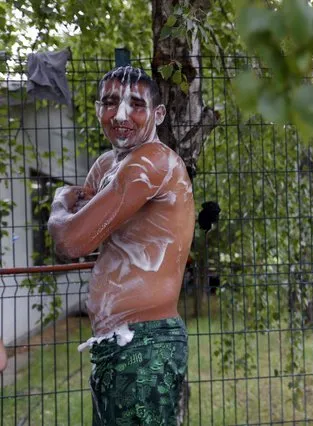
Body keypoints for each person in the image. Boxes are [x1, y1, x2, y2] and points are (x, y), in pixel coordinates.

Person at [48, 66, 195, 425]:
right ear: (99, 109)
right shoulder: (108, 165)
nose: (122, 115)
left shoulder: (153, 161)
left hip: (145, 345)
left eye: (136, 104)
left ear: (158, 114)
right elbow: (87, 222)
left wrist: (58, 202)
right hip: (114, 344)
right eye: (111, 102)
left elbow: (70, 239)